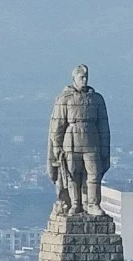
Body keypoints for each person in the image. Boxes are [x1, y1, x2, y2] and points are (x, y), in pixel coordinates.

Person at [47, 64, 111, 216]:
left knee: (93, 174)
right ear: (74, 78)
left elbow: (103, 125)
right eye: (81, 77)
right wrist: (57, 145)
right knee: (72, 174)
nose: (84, 80)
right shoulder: (64, 99)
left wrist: (104, 147)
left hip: (91, 141)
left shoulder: (97, 99)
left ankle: (93, 203)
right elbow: (57, 125)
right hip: (71, 141)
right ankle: (75, 203)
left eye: (86, 77)